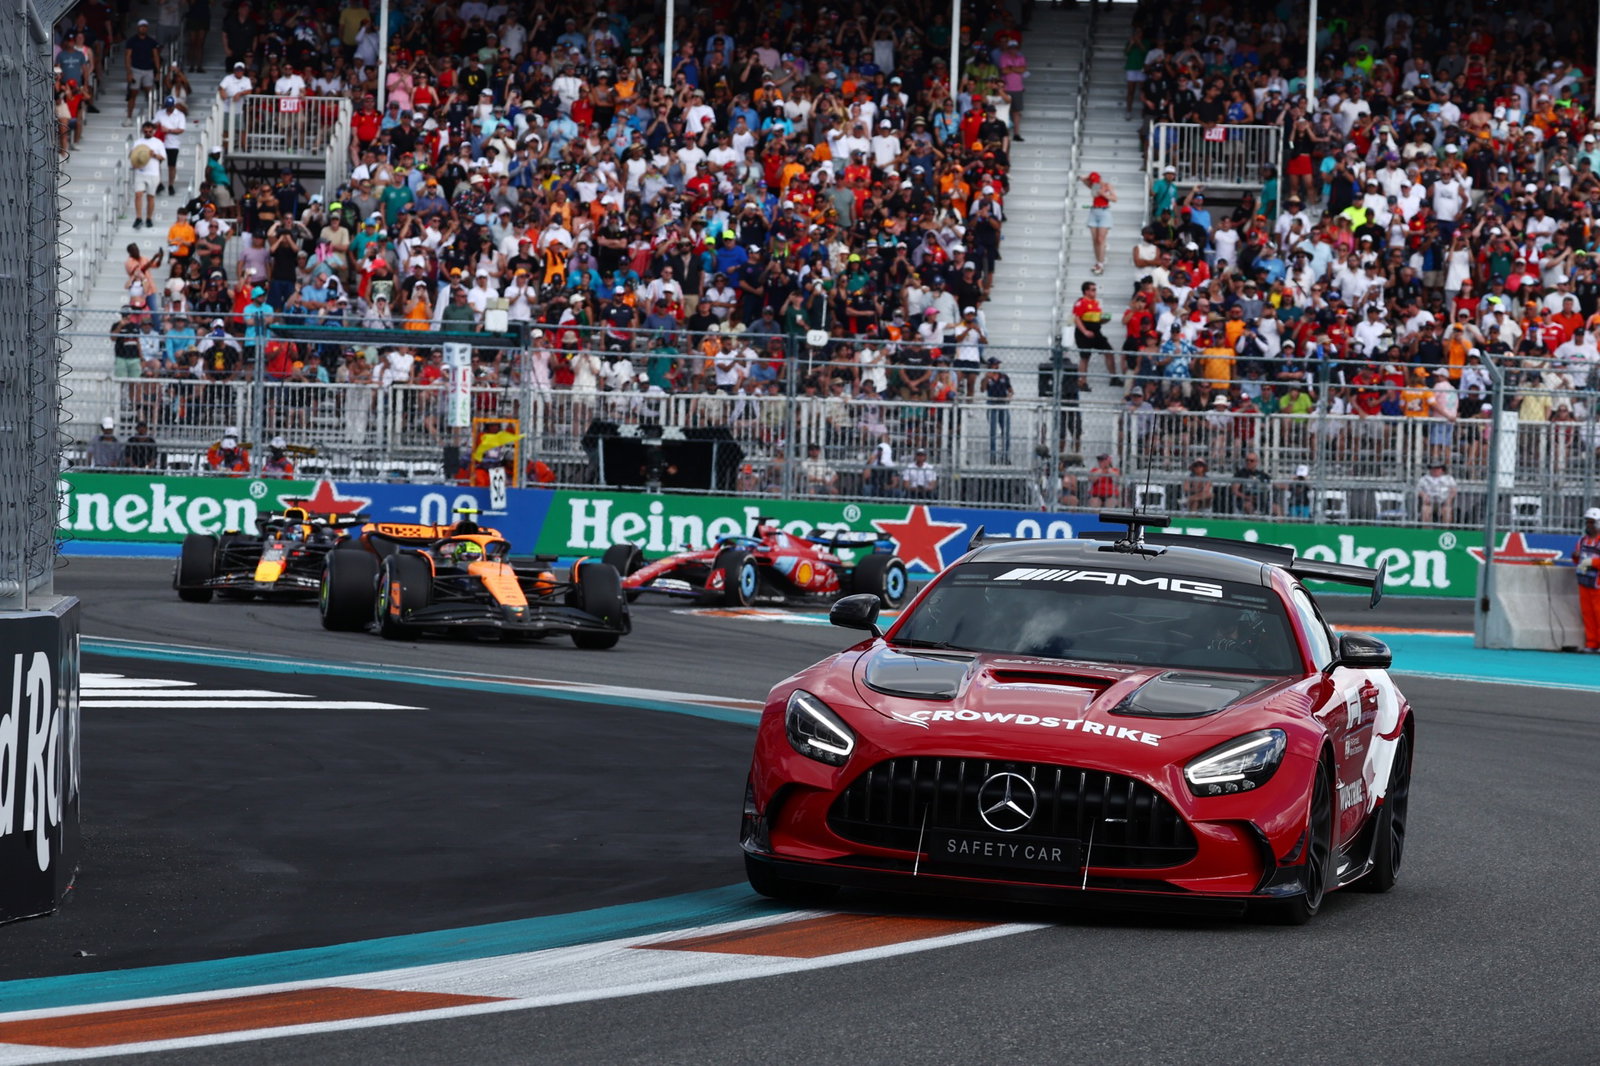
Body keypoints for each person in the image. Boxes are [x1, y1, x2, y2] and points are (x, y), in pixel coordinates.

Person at [1573, 507, 1600, 653]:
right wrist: (1575, 556)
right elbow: (1577, 560)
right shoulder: (1582, 541)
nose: (1589, 525)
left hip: (1597, 583)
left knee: (1598, 613)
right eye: (1587, 522)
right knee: (1587, 613)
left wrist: (1593, 563)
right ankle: (1592, 643)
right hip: (1584, 581)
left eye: (1592, 522)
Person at [1082, 171, 1116, 275]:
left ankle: (1101, 263)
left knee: (1100, 239)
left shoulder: (1107, 186)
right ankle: (1098, 260)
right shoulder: (1094, 186)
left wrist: (1104, 194)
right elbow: (1083, 180)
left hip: (1104, 211)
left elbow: (1114, 198)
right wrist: (1087, 177)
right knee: (1095, 240)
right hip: (1094, 211)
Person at [983, 357, 1013, 463]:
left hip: (1003, 404)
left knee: (1006, 432)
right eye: (995, 364)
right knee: (993, 432)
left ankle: (1005, 455)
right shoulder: (988, 377)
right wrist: (986, 378)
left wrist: (1009, 396)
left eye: (997, 364)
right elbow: (982, 389)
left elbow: (1010, 390)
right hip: (992, 404)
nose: (997, 366)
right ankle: (993, 456)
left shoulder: (1004, 376)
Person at [1416, 461, 1458, 525]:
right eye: (1433, 468)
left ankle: (1444, 531)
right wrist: (1424, 495)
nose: (1435, 470)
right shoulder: (1424, 479)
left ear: (1442, 470)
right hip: (1429, 502)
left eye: (1438, 468)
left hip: (1444, 502)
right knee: (1425, 511)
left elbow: (1454, 490)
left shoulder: (1449, 478)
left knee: (1447, 511)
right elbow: (1419, 490)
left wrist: (1449, 499)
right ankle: (1427, 532)